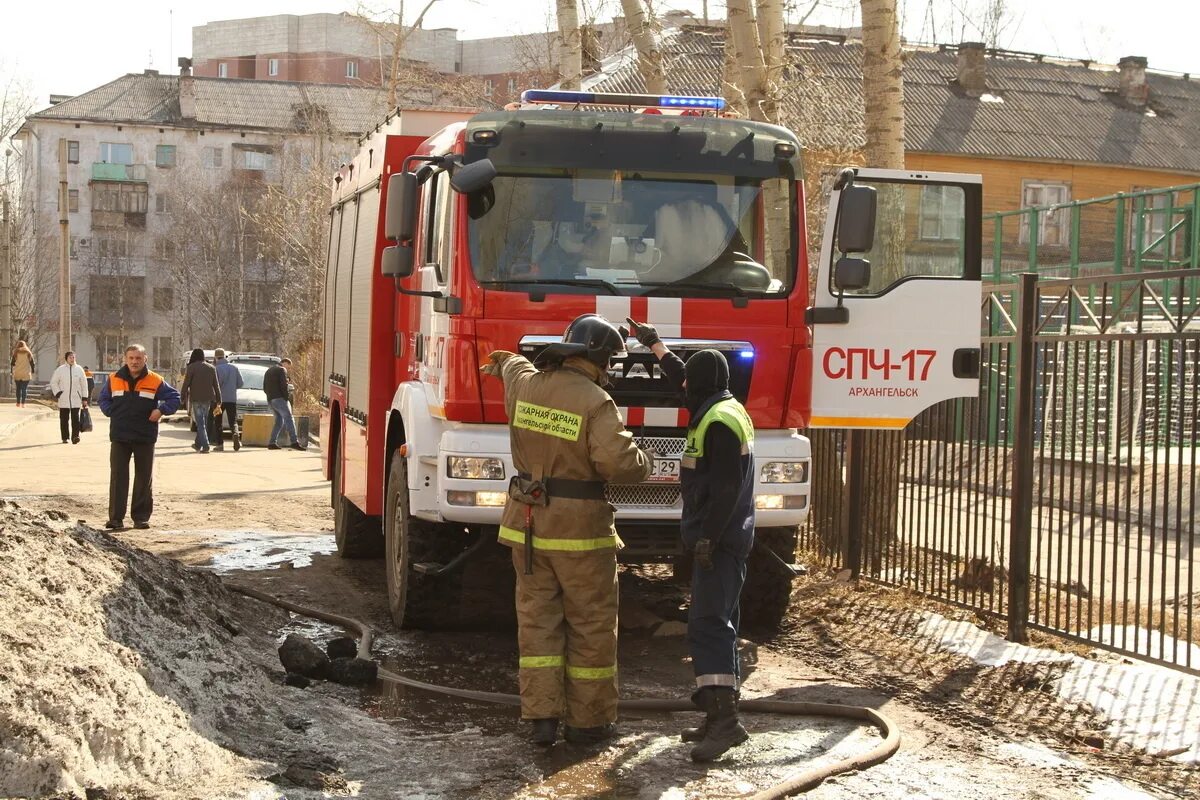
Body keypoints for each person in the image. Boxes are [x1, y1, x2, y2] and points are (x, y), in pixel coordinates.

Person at [480, 314, 651, 747]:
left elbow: (514, 367)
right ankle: (587, 723)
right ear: (594, 356)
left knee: (538, 625)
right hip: (580, 534)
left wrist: (503, 362)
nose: (611, 367)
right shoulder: (595, 401)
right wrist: (643, 457)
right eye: (610, 358)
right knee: (590, 624)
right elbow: (620, 465)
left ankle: (541, 720)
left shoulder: (526, 386)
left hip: (528, 527)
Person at [627, 317, 756, 762]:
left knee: (708, 625)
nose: (684, 388)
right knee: (720, 623)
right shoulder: (722, 405)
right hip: (726, 538)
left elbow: (724, 489)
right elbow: (680, 373)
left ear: (701, 386)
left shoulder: (717, 422)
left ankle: (725, 723)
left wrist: (706, 540)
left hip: (718, 542)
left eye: (689, 383)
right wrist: (654, 345)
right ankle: (717, 714)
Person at [98, 343, 180, 530]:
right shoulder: (113, 379)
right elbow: (103, 399)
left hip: (145, 435)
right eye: (131, 358)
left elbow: (174, 398)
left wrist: (161, 410)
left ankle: (140, 518)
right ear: (124, 359)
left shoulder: (155, 380)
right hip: (120, 435)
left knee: (143, 477)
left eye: (138, 358)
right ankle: (116, 519)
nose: (135, 362)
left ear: (145, 360)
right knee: (118, 477)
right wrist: (111, 411)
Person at [179, 349, 221, 453]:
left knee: (200, 422)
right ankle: (198, 444)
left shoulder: (191, 367)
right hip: (208, 399)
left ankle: (206, 446)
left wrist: (182, 396)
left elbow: (186, 383)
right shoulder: (211, 368)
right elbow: (216, 385)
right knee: (203, 422)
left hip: (196, 398)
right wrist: (219, 399)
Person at [49, 351, 90, 444]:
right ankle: (65, 437)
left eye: (74, 357)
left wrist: (84, 398)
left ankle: (75, 436)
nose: (72, 359)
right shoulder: (60, 369)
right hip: (64, 399)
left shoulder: (79, 369)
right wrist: (58, 393)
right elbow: (53, 382)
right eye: (70, 357)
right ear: (66, 358)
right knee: (64, 419)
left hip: (76, 399)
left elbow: (84, 384)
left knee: (76, 419)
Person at [264, 357, 304, 451]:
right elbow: (283, 385)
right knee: (289, 418)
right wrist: (286, 398)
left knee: (279, 421)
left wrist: (270, 397)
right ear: (284, 363)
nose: (288, 369)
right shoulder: (282, 370)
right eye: (288, 366)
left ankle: (272, 442)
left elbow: (264, 387)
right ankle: (294, 442)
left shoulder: (269, 370)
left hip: (270, 399)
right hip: (280, 399)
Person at [210, 349, 243, 451]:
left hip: (219, 400)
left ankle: (220, 444)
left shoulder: (216, 369)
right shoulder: (234, 368)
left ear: (216, 357)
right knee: (233, 420)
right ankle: (235, 433)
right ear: (225, 356)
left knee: (218, 421)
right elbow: (241, 383)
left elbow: (215, 385)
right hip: (232, 399)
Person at [10, 340, 35, 407]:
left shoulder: (15, 353)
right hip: (26, 373)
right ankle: (23, 404)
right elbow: (32, 363)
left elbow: (12, 363)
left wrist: (13, 370)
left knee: (18, 389)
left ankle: (18, 403)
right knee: (24, 389)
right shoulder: (28, 353)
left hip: (17, 373)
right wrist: (32, 371)